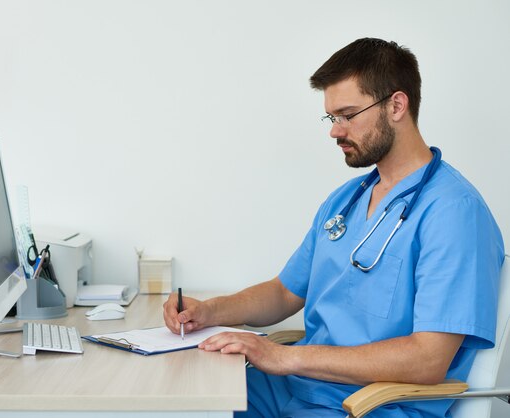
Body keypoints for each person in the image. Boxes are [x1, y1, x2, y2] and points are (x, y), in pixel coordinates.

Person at [163, 38, 505, 418]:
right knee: (181, 400)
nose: (335, 131)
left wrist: (286, 357)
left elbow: (428, 360)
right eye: (332, 118)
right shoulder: (347, 199)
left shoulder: (454, 213)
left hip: (367, 405)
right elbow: (283, 292)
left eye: (347, 115)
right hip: (296, 388)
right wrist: (209, 311)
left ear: (396, 105)